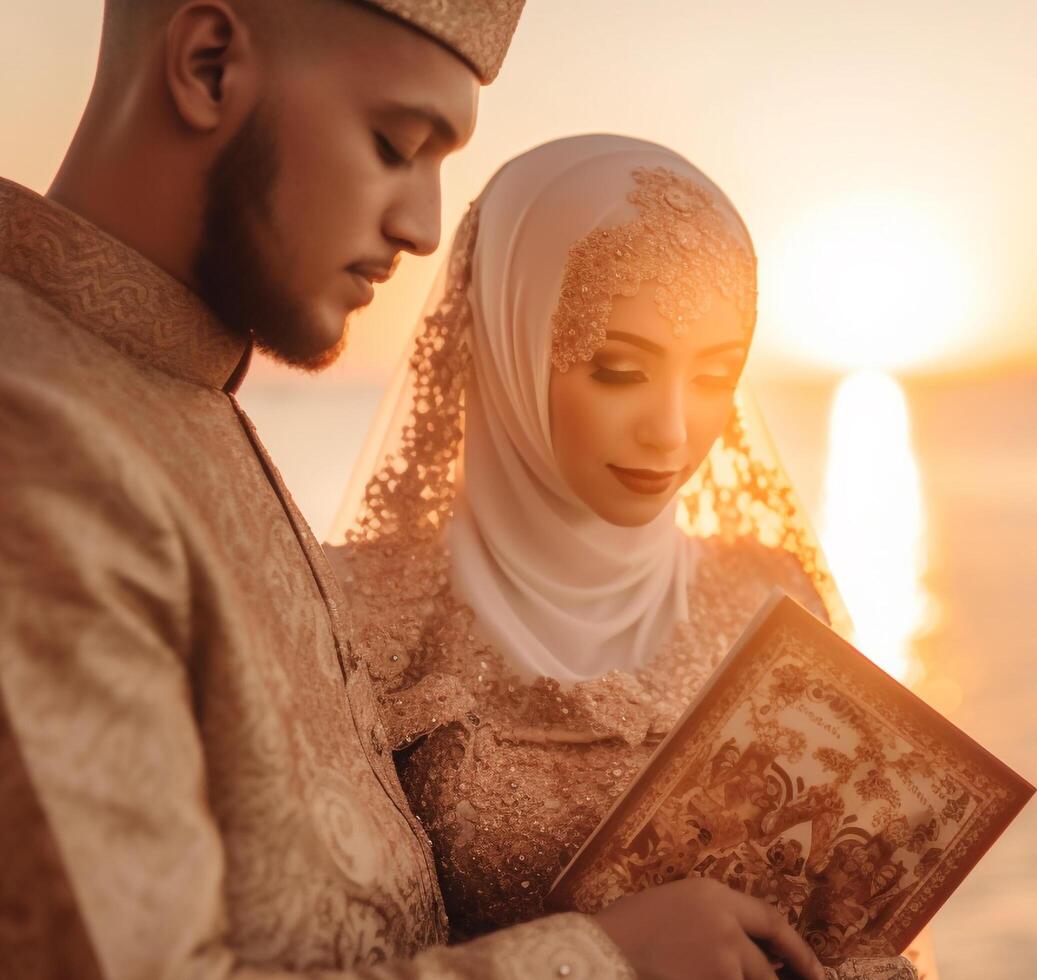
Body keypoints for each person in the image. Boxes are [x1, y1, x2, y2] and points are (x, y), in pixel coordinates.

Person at [0, 5, 822, 979]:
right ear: (210, 65)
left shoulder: (164, 400)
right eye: (395, 143)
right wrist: (602, 958)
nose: (426, 226)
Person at [330, 135, 921, 978]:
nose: (672, 432)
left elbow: (857, 925)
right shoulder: (361, 614)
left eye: (716, 376)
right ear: (509, 338)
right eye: (617, 370)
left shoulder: (767, 592)